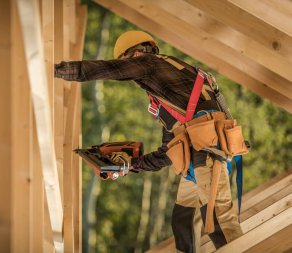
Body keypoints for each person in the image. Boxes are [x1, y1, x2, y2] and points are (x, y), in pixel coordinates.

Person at [54, 30, 243, 252]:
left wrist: (57, 70)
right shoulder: (170, 93)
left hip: (207, 152)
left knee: (219, 221)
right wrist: (131, 165)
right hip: (197, 155)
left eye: (125, 64)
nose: (129, 75)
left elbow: (108, 69)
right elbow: (166, 153)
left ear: (134, 54)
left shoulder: (149, 63)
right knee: (183, 220)